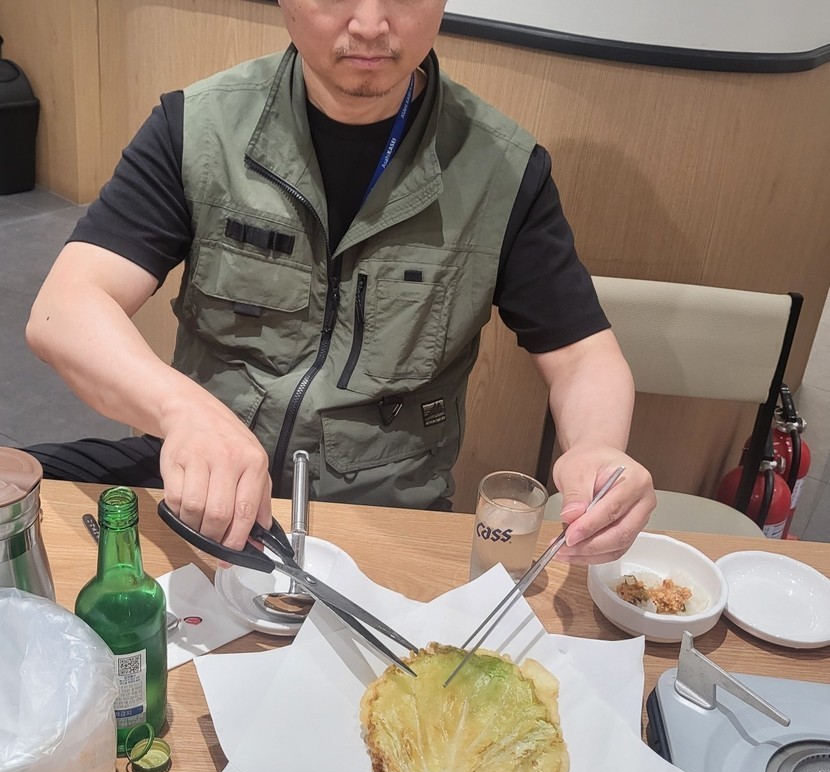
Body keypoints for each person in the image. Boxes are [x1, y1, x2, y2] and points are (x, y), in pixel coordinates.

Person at [24, 0, 655, 562]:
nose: (371, 24)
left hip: (383, 514)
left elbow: (581, 353)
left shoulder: (504, 169)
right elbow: (65, 310)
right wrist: (184, 412)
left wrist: (597, 449)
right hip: (205, 492)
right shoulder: (198, 128)